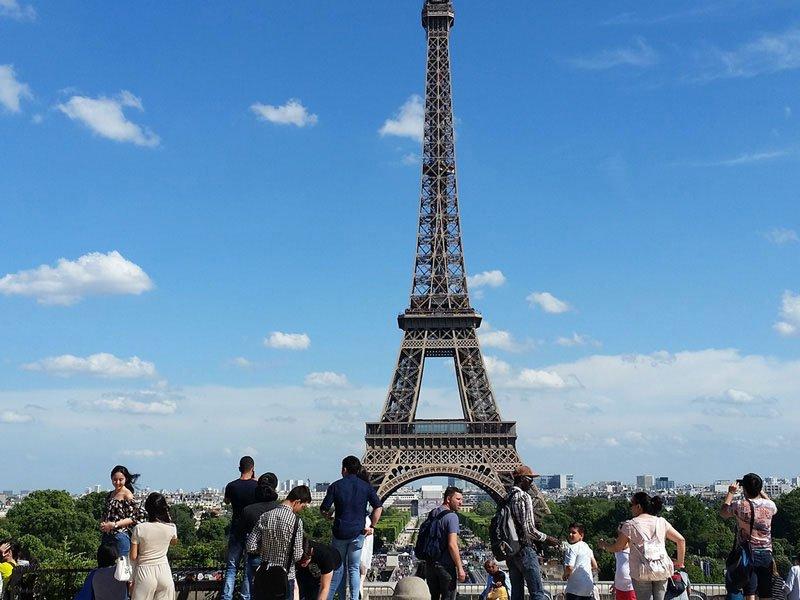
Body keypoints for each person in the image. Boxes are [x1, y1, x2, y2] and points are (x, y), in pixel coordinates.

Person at [598, 492, 686, 600]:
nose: (631, 508)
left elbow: (617, 547)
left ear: (638, 506)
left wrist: (604, 545)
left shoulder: (630, 525)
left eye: (632, 505)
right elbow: (681, 540)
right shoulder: (661, 522)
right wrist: (679, 562)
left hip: (641, 569)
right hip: (661, 568)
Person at [320, 456, 383, 600]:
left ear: (344, 469)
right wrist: (372, 526)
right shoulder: (366, 486)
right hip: (358, 533)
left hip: (340, 533)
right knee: (354, 568)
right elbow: (378, 507)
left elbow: (324, 509)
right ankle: (354, 598)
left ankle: (339, 597)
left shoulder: (335, 486)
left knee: (339, 568)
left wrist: (329, 517)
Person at [247, 485, 311, 600]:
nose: (302, 509)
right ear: (297, 502)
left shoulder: (265, 516)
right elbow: (297, 555)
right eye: (303, 506)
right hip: (285, 576)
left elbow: (250, 546)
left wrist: (264, 549)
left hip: (264, 574)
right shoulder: (296, 521)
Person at [506, 466, 560, 600]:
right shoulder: (524, 496)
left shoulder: (507, 496)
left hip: (511, 549)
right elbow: (529, 530)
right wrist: (547, 538)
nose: (531, 483)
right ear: (523, 479)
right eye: (530, 479)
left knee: (516, 594)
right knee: (537, 593)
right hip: (524, 548)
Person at [721, 474, 778, 600]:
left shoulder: (740, 505)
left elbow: (724, 513)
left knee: (749, 591)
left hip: (748, 553)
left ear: (744, 489)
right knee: (765, 592)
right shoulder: (770, 506)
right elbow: (771, 504)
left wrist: (730, 493)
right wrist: (759, 490)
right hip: (766, 552)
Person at [223, 455, 259, 600]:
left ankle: (226, 596)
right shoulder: (256, 487)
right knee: (248, 570)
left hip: (236, 529)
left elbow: (226, 502)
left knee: (231, 568)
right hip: (251, 530)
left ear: (239, 468)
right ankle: (245, 597)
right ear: (253, 469)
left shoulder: (231, 486)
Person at [130, 492, 178, 600]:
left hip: (145, 571)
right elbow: (174, 542)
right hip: (164, 570)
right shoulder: (171, 528)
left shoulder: (139, 528)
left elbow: (133, 556)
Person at [421, 486, 466, 600]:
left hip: (430, 564)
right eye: (458, 499)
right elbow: (452, 545)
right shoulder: (452, 517)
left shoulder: (433, 512)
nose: (461, 503)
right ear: (448, 499)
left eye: (461, 499)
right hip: (445, 566)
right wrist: (460, 568)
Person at [242, 473, 281, 596]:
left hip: (255, 555)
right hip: (277, 556)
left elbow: (242, 533)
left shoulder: (248, 510)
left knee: (250, 585)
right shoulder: (280, 510)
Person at [100, 465, 146, 558]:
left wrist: (114, 525)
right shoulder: (110, 494)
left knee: (122, 567)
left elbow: (134, 517)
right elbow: (106, 513)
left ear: (126, 479)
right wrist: (103, 523)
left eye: (120, 480)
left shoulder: (127, 495)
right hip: (107, 536)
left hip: (121, 535)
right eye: (114, 480)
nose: (117, 482)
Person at [563, 523, 598, 600]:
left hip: (575, 588)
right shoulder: (586, 547)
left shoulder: (571, 548)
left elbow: (569, 567)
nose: (570, 534)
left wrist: (564, 575)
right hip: (588, 588)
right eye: (569, 532)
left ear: (581, 535)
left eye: (573, 533)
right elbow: (595, 565)